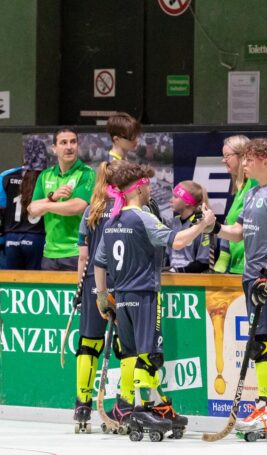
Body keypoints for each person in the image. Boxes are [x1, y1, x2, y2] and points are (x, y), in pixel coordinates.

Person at [93, 161, 215, 438]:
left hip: (121, 296)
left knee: (133, 353)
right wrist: (203, 225)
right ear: (140, 188)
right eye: (148, 185)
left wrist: (102, 296)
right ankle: (143, 407)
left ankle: (152, 404)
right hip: (144, 294)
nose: (151, 189)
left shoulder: (111, 221)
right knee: (150, 354)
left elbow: (99, 262)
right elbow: (178, 242)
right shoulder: (143, 218)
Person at [212, 138, 267, 440]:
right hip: (250, 276)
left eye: (248, 159)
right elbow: (239, 233)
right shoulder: (251, 193)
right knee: (259, 341)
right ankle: (265, 406)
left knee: (265, 341)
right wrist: (214, 227)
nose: (244, 164)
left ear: (263, 161)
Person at [71, 116, 141, 428]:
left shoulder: (91, 210)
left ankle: (82, 406)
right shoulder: (128, 211)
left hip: (93, 282)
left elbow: (83, 255)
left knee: (89, 342)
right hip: (122, 281)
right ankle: (124, 405)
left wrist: (80, 288)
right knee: (126, 346)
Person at [28, 129, 96, 270]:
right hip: (49, 254)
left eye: (73, 142)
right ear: (54, 148)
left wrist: (46, 206)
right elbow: (32, 210)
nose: (69, 147)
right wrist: (53, 197)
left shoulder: (87, 173)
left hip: (77, 252)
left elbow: (77, 206)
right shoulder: (45, 175)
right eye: (63, 143)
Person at [0, 138, 48, 270]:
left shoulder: (6, 176)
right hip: (38, 237)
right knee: (35, 281)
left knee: (13, 281)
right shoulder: (49, 177)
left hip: (12, 239)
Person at [214, 135, 256, 275]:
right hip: (236, 267)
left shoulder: (255, 184)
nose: (223, 160)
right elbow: (231, 225)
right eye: (223, 156)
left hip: (251, 269)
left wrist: (213, 227)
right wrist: (223, 259)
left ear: (242, 155)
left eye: (227, 156)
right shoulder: (240, 189)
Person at [166, 181, 211, 273]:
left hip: (192, 279)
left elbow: (203, 263)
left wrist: (179, 271)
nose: (170, 200)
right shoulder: (172, 223)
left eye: (175, 197)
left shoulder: (202, 223)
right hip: (171, 278)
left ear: (187, 202)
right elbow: (167, 257)